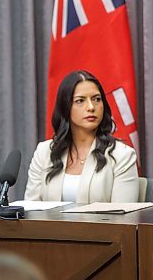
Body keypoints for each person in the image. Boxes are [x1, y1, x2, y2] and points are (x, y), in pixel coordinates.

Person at [24, 70, 139, 203]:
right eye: (80, 101)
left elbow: (123, 218)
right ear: (66, 107)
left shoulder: (122, 155)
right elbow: (30, 210)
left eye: (96, 99)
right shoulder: (44, 153)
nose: (91, 107)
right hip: (48, 225)